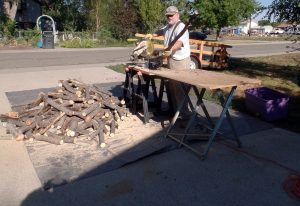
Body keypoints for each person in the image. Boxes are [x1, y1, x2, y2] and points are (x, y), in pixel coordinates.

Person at [147, 6, 191, 119]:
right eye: (168, 15)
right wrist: (152, 35)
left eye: (171, 15)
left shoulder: (181, 27)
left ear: (177, 14)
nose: (169, 17)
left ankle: (184, 114)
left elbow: (180, 43)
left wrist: (170, 49)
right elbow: (161, 31)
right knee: (172, 87)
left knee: (180, 88)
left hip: (181, 60)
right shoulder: (168, 26)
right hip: (171, 59)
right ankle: (175, 111)